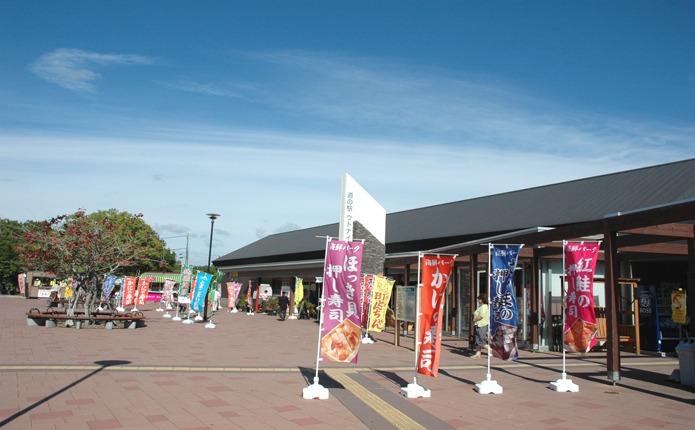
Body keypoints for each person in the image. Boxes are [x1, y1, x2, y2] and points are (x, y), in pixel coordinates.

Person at [471, 293, 490, 359]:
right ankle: (478, 353)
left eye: (479, 299)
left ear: (482, 300)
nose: (478, 300)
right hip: (479, 324)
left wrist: (474, 319)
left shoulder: (484, 307)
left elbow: (481, 316)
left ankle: (492, 351)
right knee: (477, 340)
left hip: (482, 325)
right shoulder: (482, 307)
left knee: (481, 340)